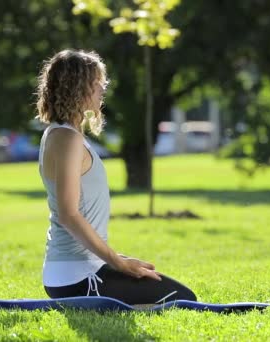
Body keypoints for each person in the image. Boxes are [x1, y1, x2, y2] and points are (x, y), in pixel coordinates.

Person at [35, 49, 196, 304]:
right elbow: (68, 214)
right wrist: (118, 263)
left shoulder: (63, 135)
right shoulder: (66, 139)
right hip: (77, 278)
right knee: (181, 300)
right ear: (77, 88)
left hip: (84, 270)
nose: (102, 89)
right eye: (96, 83)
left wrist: (118, 259)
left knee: (178, 294)